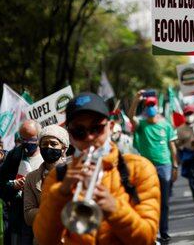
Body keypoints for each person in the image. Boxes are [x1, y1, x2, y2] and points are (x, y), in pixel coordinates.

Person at [33, 92, 160, 245]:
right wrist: (61, 193)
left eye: (96, 128)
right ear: (70, 136)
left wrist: (115, 209)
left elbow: (147, 238)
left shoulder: (140, 168)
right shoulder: (57, 177)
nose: (89, 137)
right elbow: (44, 240)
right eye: (79, 131)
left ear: (110, 127)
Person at [129, 91, 178, 243]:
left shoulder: (166, 125)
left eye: (152, 104)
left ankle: (164, 232)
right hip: (147, 168)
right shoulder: (141, 125)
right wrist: (136, 101)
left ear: (156, 106)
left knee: (164, 202)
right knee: (148, 201)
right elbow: (131, 117)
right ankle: (151, 232)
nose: (150, 107)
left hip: (165, 166)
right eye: (147, 105)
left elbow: (172, 146)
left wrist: (175, 166)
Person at [23, 124, 69, 244]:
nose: (48, 147)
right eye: (44, 144)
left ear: (63, 148)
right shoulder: (31, 178)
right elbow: (28, 216)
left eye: (53, 144)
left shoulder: (74, 173)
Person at [0, 119, 42, 245]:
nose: (27, 142)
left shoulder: (49, 155)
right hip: (18, 219)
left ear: (39, 137)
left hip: (40, 217)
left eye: (31, 139)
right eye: (24, 139)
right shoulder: (14, 155)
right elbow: (1, 183)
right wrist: (13, 185)